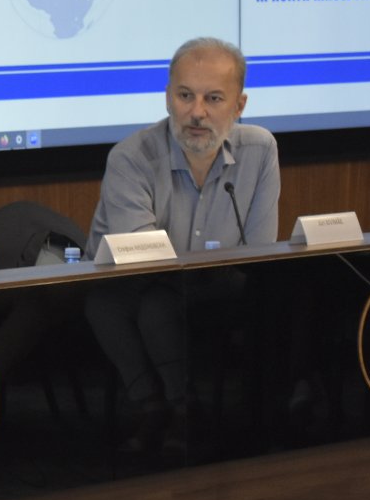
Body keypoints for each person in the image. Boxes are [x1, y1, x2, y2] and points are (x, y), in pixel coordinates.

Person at [84, 37, 280, 450]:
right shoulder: (132, 158)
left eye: (213, 98)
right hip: (138, 287)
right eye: (185, 96)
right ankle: (168, 407)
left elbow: (260, 252)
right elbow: (144, 262)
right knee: (128, 302)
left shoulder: (260, 150)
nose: (197, 112)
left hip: (220, 284)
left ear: (239, 106)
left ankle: (207, 413)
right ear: (167, 97)